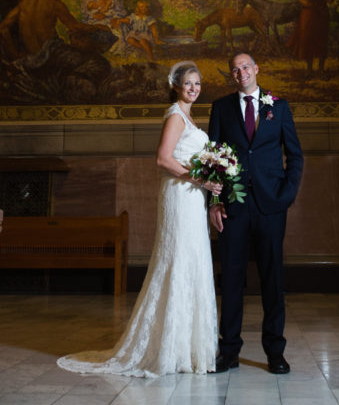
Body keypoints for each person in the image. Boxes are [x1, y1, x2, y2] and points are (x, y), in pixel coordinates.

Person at [57, 60, 222, 377]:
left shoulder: (189, 116)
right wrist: (201, 180)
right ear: (175, 86)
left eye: (198, 83)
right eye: (188, 83)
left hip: (192, 199)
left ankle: (187, 348)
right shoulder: (175, 115)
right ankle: (168, 349)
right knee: (177, 261)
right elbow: (163, 158)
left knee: (193, 261)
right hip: (179, 195)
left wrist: (208, 181)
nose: (194, 88)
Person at [208, 52, 303, 375]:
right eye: (234, 69)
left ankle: (275, 351)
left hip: (271, 207)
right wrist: (214, 202)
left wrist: (286, 194)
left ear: (256, 69)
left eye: (245, 66)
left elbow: (295, 155)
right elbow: (213, 158)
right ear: (231, 75)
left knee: (272, 280)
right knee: (232, 281)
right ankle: (229, 351)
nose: (241, 72)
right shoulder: (221, 108)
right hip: (233, 207)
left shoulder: (280, 106)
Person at [0, 0, 103, 60]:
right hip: (50, 57)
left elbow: (3, 27)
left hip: (31, 57)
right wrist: (96, 27)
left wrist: (14, 54)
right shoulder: (54, 4)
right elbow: (74, 27)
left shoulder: (24, 3)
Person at [287, 0, 335, 78]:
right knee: (307, 38)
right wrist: (301, 0)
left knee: (321, 38)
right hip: (307, 11)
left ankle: (321, 69)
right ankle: (309, 70)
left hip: (321, 12)